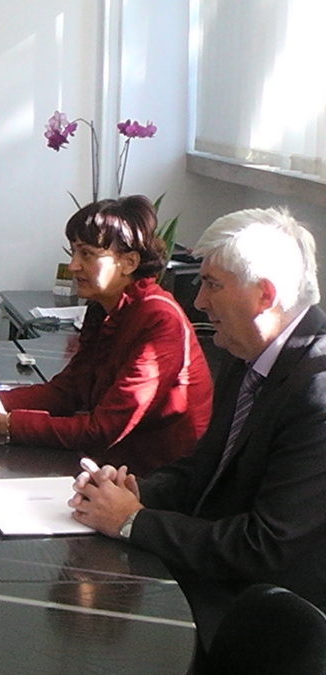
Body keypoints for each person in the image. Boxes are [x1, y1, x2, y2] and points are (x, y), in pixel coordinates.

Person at [70, 207, 326, 653]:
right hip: (213, 577)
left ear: (264, 295)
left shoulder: (316, 392)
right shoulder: (247, 351)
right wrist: (136, 491)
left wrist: (133, 520)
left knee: (91, 640)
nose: (198, 301)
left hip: (269, 624)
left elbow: (266, 547)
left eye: (211, 284)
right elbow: (201, 468)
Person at [0, 196, 214, 475]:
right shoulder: (103, 307)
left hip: (156, 479)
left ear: (128, 262)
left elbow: (103, 430)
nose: (73, 265)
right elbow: (67, 392)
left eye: (86, 254)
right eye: (73, 252)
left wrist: (5, 424)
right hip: (110, 464)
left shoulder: (159, 319)